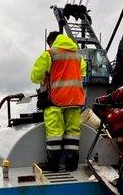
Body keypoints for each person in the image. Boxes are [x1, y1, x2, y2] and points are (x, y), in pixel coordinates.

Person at [31, 31, 86, 172]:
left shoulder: (49, 54)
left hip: (55, 100)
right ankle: (72, 164)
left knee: (54, 132)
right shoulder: (78, 56)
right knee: (73, 132)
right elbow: (82, 73)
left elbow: (35, 76)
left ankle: (53, 165)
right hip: (75, 99)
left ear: (51, 42)